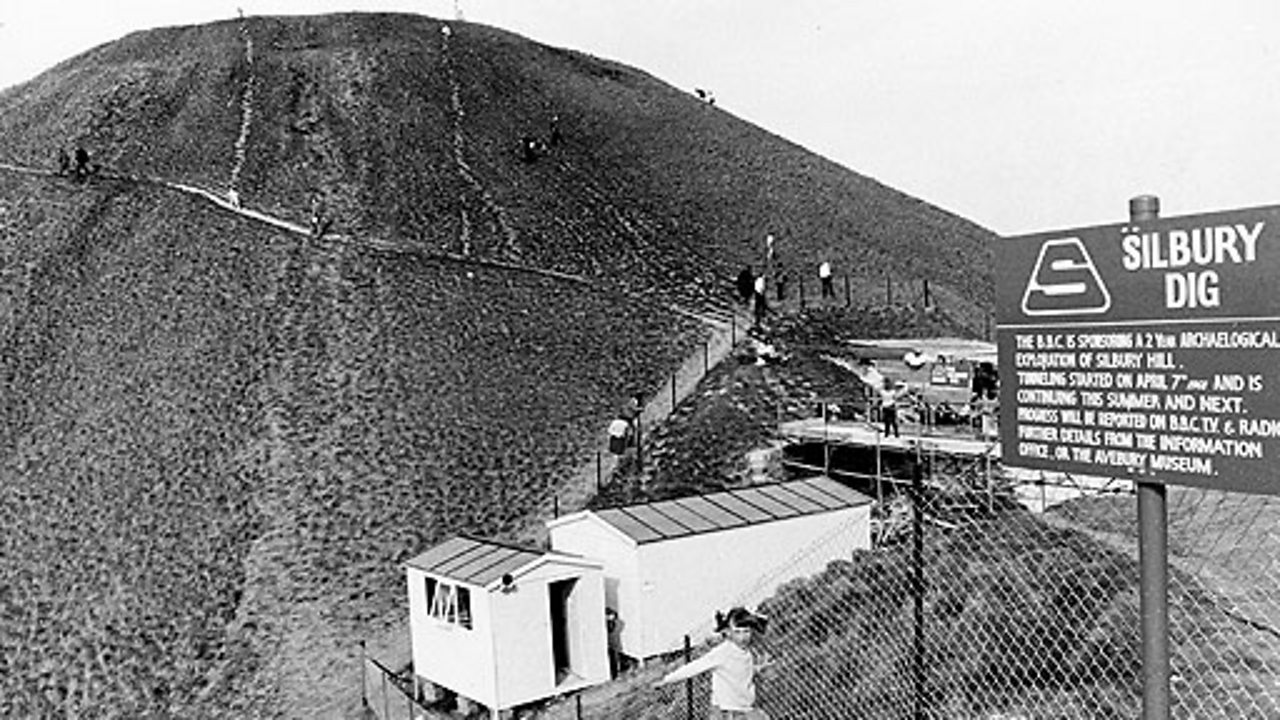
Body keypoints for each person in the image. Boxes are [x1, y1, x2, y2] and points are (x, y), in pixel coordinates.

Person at [655, 607, 773, 720]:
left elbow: (739, 671)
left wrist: (758, 668)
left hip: (744, 708)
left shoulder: (746, 652)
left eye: (746, 631)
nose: (742, 637)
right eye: (737, 632)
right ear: (728, 632)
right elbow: (695, 666)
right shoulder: (723, 652)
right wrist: (667, 679)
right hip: (726, 711)